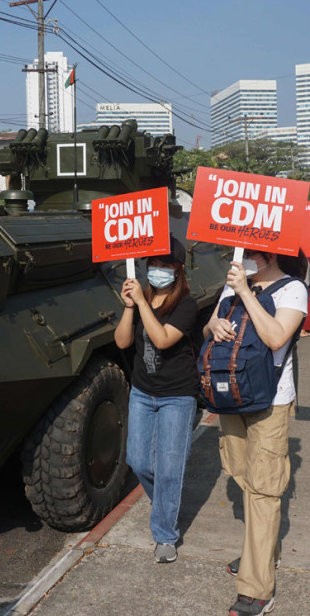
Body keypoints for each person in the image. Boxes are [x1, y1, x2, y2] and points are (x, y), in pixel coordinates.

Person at [204, 248, 307, 616]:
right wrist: (213, 325)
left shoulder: (292, 290)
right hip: (231, 397)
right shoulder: (231, 286)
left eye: (252, 252)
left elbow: (277, 337)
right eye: (242, 251)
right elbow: (209, 327)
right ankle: (261, 554)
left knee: (264, 489)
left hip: (270, 402)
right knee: (243, 477)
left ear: (270, 253)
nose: (244, 257)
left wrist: (247, 292)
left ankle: (256, 587)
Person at [114, 239, 199, 564]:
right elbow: (122, 341)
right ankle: (166, 501)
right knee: (139, 462)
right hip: (142, 393)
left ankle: (165, 535)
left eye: (165, 265)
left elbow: (162, 340)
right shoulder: (140, 299)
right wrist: (129, 306)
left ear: (178, 269)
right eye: (154, 265)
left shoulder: (186, 305)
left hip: (177, 396)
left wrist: (143, 304)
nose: (158, 271)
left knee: (168, 469)